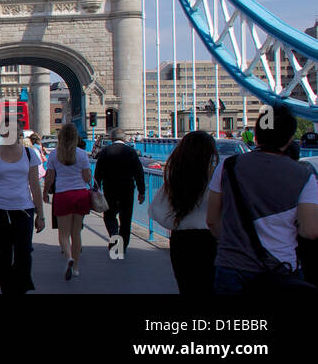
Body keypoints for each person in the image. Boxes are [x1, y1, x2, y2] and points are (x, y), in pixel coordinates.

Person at [207, 105, 318, 293]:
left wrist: (231, 241)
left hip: (232, 265)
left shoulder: (228, 166)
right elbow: (310, 231)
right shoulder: (304, 174)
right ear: (290, 138)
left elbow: (211, 220)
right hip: (282, 267)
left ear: (256, 135)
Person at [0, 121, 45, 293]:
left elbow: (35, 185)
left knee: (24, 252)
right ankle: (8, 289)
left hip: (24, 209)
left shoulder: (30, 154)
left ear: (20, 132)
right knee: (4, 254)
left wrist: (41, 215)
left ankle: (20, 285)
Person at [150, 130, 218, 295]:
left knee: (187, 287)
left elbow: (155, 209)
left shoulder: (176, 178)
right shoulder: (218, 179)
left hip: (182, 239)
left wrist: (176, 222)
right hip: (213, 238)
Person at [43, 123, 92, 281]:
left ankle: (68, 257)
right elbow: (87, 178)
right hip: (80, 195)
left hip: (62, 195)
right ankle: (76, 267)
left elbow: (49, 177)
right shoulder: (82, 154)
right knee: (76, 233)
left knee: (63, 234)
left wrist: (45, 192)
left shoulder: (54, 155)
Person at [93, 127, 145, 259]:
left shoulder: (105, 152)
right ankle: (122, 248)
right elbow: (139, 172)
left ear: (111, 138)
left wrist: (96, 188)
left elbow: (98, 173)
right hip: (127, 189)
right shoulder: (131, 152)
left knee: (109, 215)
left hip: (109, 189)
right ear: (125, 138)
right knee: (126, 218)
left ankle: (114, 235)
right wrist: (141, 191)